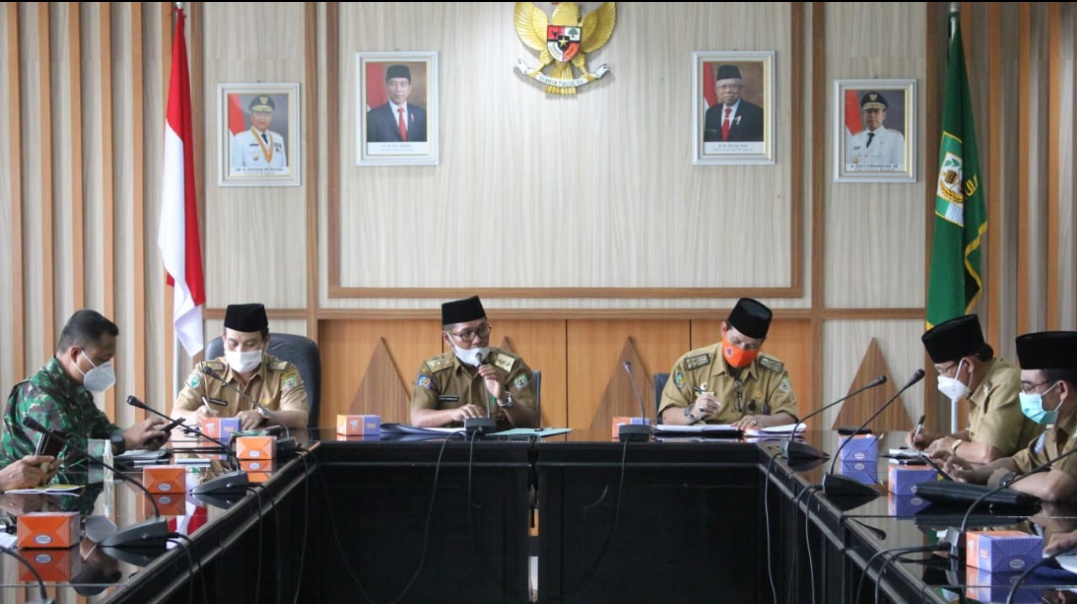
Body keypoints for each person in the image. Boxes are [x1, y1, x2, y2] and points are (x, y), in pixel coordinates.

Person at [0, 310, 169, 468]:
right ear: (75, 354)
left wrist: (141, 437)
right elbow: (66, 455)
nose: (106, 367)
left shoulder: (77, 389)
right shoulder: (39, 394)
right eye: (102, 359)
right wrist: (124, 441)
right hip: (25, 496)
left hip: (72, 492)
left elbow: (101, 431)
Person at [943, 331, 1077, 502]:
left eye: (1029, 388)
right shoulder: (1057, 427)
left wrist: (1006, 481)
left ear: (1062, 390)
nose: (1023, 395)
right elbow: (1019, 462)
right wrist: (974, 474)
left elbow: (1053, 488)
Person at [908, 314, 1041, 463]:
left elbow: (988, 453)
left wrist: (950, 445)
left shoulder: (1006, 382)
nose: (942, 378)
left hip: (1017, 480)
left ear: (968, 365)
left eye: (943, 371)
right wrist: (935, 440)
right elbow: (974, 435)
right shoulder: (980, 384)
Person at [658, 298, 798, 430]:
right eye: (736, 342)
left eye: (750, 346)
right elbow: (667, 417)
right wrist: (693, 411)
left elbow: (789, 417)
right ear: (724, 330)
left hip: (753, 448)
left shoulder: (773, 370)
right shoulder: (690, 365)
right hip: (702, 448)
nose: (742, 350)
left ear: (762, 343)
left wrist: (762, 421)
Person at [171, 303, 309, 432]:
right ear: (224, 339)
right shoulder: (207, 372)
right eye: (233, 343)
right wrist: (197, 416)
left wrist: (262, 416)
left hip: (266, 452)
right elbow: (176, 414)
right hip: (216, 453)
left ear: (265, 341)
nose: (240, 351)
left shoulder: (284, 373)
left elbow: (300, 417)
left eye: (250, 344)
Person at [410, 296, 539, 430]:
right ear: (448, 339)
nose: (477, 340)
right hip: (448, 448)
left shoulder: (512, 366)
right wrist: (453, 414)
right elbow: (418, 419)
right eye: (466, 334)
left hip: (501, 448)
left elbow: (532, 423)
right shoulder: (432, 370)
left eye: (482, 330)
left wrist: (504, 399)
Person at [702, 64, 764, 143]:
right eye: (723, 87)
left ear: (740, 88)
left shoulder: (756, 113)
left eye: (733, 86)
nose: (728, 91)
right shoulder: (711, 113)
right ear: (717, 90)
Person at [845, 91, 905, 171]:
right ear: (864, 115)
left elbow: (899, 171)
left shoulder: (895, 139)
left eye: (876, 111)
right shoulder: (855, 139)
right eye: (869, 111)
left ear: (884, 115)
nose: (872, 115)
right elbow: (849, 169)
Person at [366, 64, 428, 143]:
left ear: (409, 88)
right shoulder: (372, 117)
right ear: (387, 87)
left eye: (403, 84)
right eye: (393, 84)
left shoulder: (421, 114)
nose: (398, 89)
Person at [230, 95, 287, 172]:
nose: (262, 118)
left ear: (271, 117)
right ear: (251, 116)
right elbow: (236, 172)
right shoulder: (240, 139)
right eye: (258, 114)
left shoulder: (278, 139)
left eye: (266, 114)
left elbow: (283, 170)